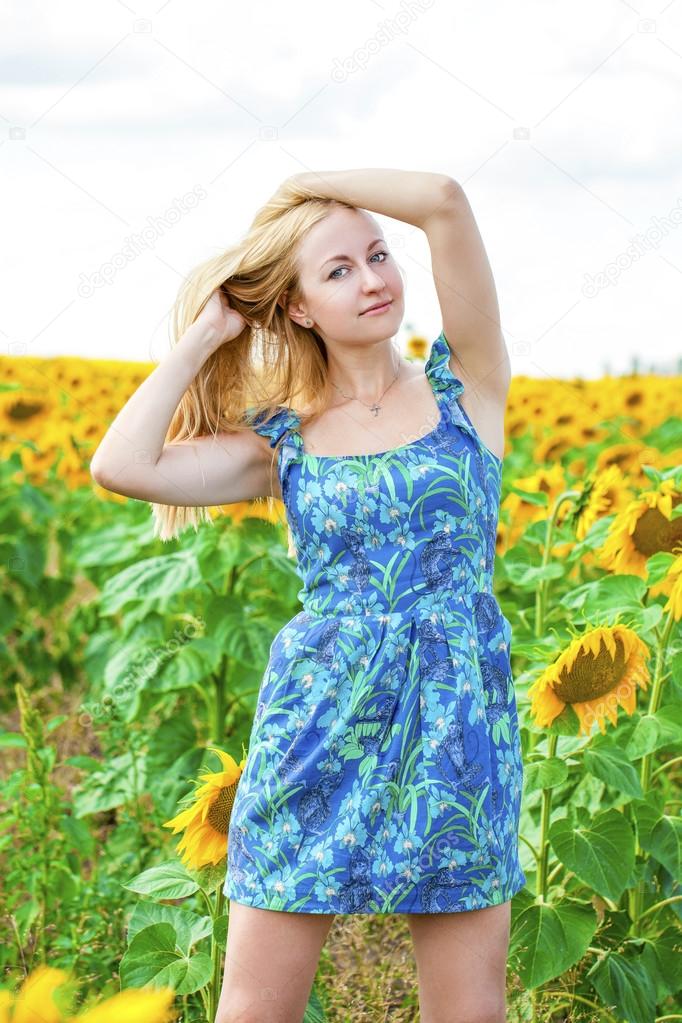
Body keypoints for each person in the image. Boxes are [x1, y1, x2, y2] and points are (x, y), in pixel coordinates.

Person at [90, 169, 524, 1023]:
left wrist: (307, 183)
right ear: (295, 307)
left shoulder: (467, 389)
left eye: (377, 255)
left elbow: (443, 199)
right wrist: (206, 334)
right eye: (337, 271)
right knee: (255, 1009)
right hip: (318, 722)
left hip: (458, 723)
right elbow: (121, 464)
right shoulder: (280, 442)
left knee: (470, 1011)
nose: (372, 280)